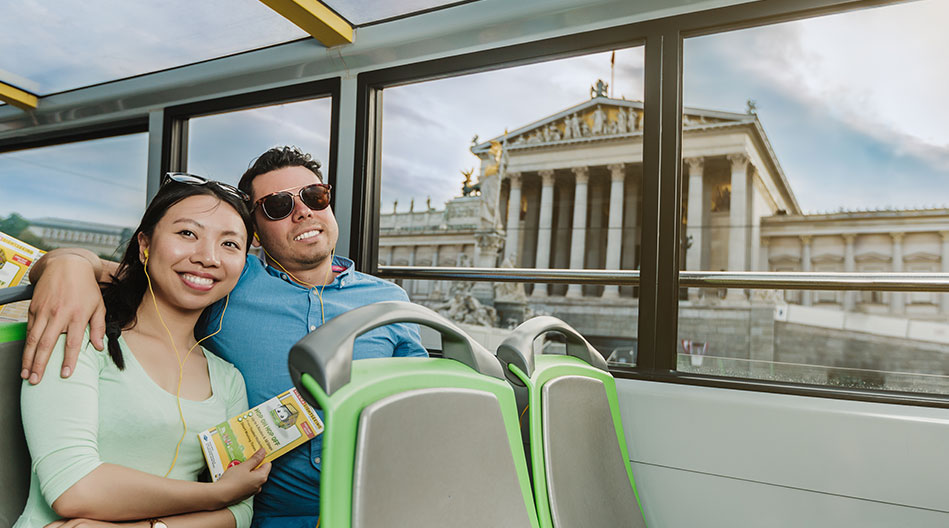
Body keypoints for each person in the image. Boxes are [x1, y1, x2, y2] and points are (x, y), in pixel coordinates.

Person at [24, 146, 428, 527]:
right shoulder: (230, 278)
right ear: (256, 235)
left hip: (374, 510)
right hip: (271, 517)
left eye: (314, 195)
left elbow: (421, 408)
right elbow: (145, 275)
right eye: (278, 206)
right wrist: (67, 263)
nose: (302, 212)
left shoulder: (389, 301)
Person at [15, 174, 271, 528]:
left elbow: (240, 514)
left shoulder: (227, 379)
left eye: (229, 244)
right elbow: (74, 487)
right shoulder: (81, 332)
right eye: (187, 234)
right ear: (145, 245)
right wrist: (217, 494)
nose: (208, 257)